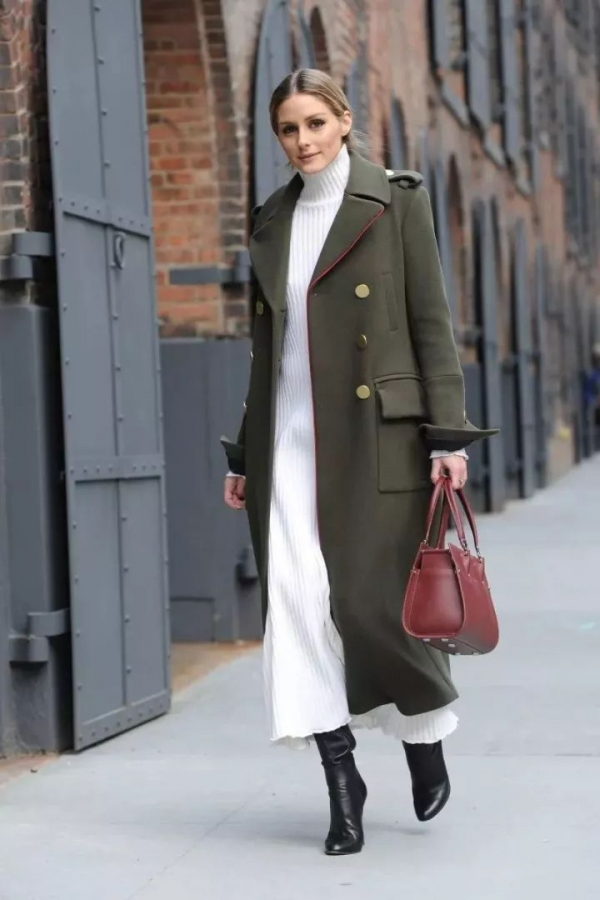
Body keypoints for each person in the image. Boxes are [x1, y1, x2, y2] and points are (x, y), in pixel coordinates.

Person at [221, 69, 498, 856]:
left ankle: (423, 735)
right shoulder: (272, 219)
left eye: (315, 122)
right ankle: (342, 783)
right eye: (288, 128)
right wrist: (245, 452)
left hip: (376, 435)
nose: (302, 140)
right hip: (288, 442)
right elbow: (266, 352)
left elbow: (431, 322)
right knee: (296, 604)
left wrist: (447, 438)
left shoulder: (396, 201)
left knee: (374, 606)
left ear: (343, 120)